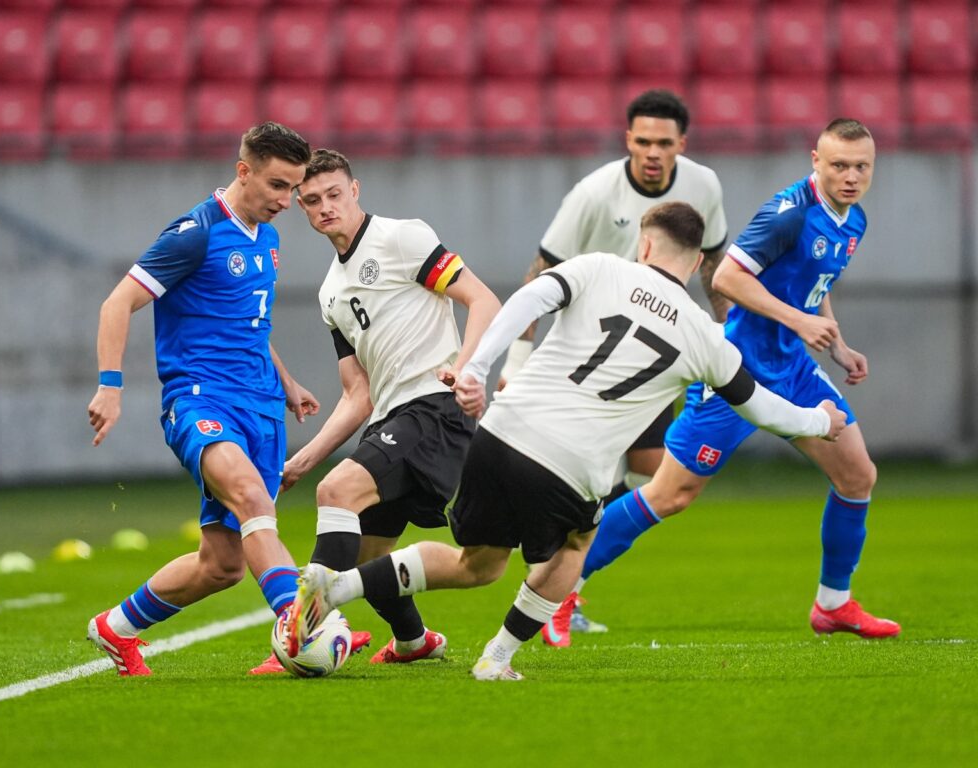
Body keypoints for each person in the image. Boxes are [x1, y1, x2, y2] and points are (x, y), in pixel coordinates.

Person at [285, 202, 846, 682]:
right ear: (697, 262)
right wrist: (820, 420)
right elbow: (762, 408)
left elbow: (527, 301)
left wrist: (476, 367)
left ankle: (337, 587)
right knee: (575, 549)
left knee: (477, 562)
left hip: (501, 434)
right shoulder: (707, 337)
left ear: (645, 245)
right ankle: (497, 657)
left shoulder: (602, 267)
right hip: (572, 465)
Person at [562, 118, 901, 645]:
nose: (851, 176)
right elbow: (725, 277)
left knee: (858, 476)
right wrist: (798, 321)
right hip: (735, 373)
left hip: (794, 372)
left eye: (861, 166)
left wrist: (835, 343)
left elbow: (812, 286)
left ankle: (832, 604)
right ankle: (563, 588)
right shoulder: (788, 213)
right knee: (669, 495)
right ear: (816, 160)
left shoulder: (852, 219)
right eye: (839, 165)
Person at [86, 122, 324, 676]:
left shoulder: (266, 234)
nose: (287, 201)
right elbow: (116, 304)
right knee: (251, 499)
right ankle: (301, 627)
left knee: (221, 565)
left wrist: (286, 382)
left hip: (262, 405)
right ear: (244, 171)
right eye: (277, 186)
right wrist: (110, 385)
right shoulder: (194, 232)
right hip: (202, 400)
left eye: (293, 188)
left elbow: (249, 322)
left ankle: (114, 629)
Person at [495, 89, 731, 640]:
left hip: (654, 357)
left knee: (659, 474)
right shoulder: (595, 193)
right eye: (643, 141)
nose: (653, 152)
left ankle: (558, 583)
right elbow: (540, 273)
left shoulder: (705, 186)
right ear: (628, 139)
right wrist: (517, 360)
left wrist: (726, 342)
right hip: (589, 357)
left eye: (664, 143)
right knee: (623, 480)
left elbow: (714, 268)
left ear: (682, 145)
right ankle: (554, 590)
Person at [275, 148, 500, 668]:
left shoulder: (402, 238)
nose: (326, 206)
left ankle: (300, 632)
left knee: (338, 491)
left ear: (355, 190)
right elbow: (360, 395)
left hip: (435, 407)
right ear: (302, 209)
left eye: (334, 194)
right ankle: (414, 641)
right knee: (367, 558)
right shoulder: (330, 292)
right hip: (392, 416)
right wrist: (303, 460)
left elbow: (483, 299)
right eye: (312, 200)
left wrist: (466, 369)